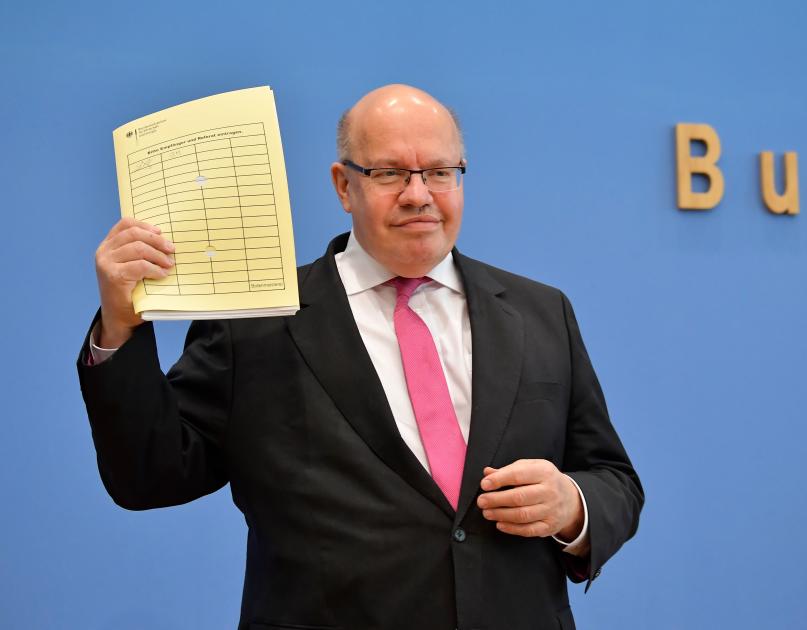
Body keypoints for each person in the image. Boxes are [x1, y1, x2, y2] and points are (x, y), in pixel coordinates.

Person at [78, 84, 643, 630]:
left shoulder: (542, 312)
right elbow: (149, 476)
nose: (419, 195)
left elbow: (613, 478)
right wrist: (120, 326)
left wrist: (573, 506)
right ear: (344, 186)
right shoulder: (252, 321)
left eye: (440, 172)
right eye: (391, 173)